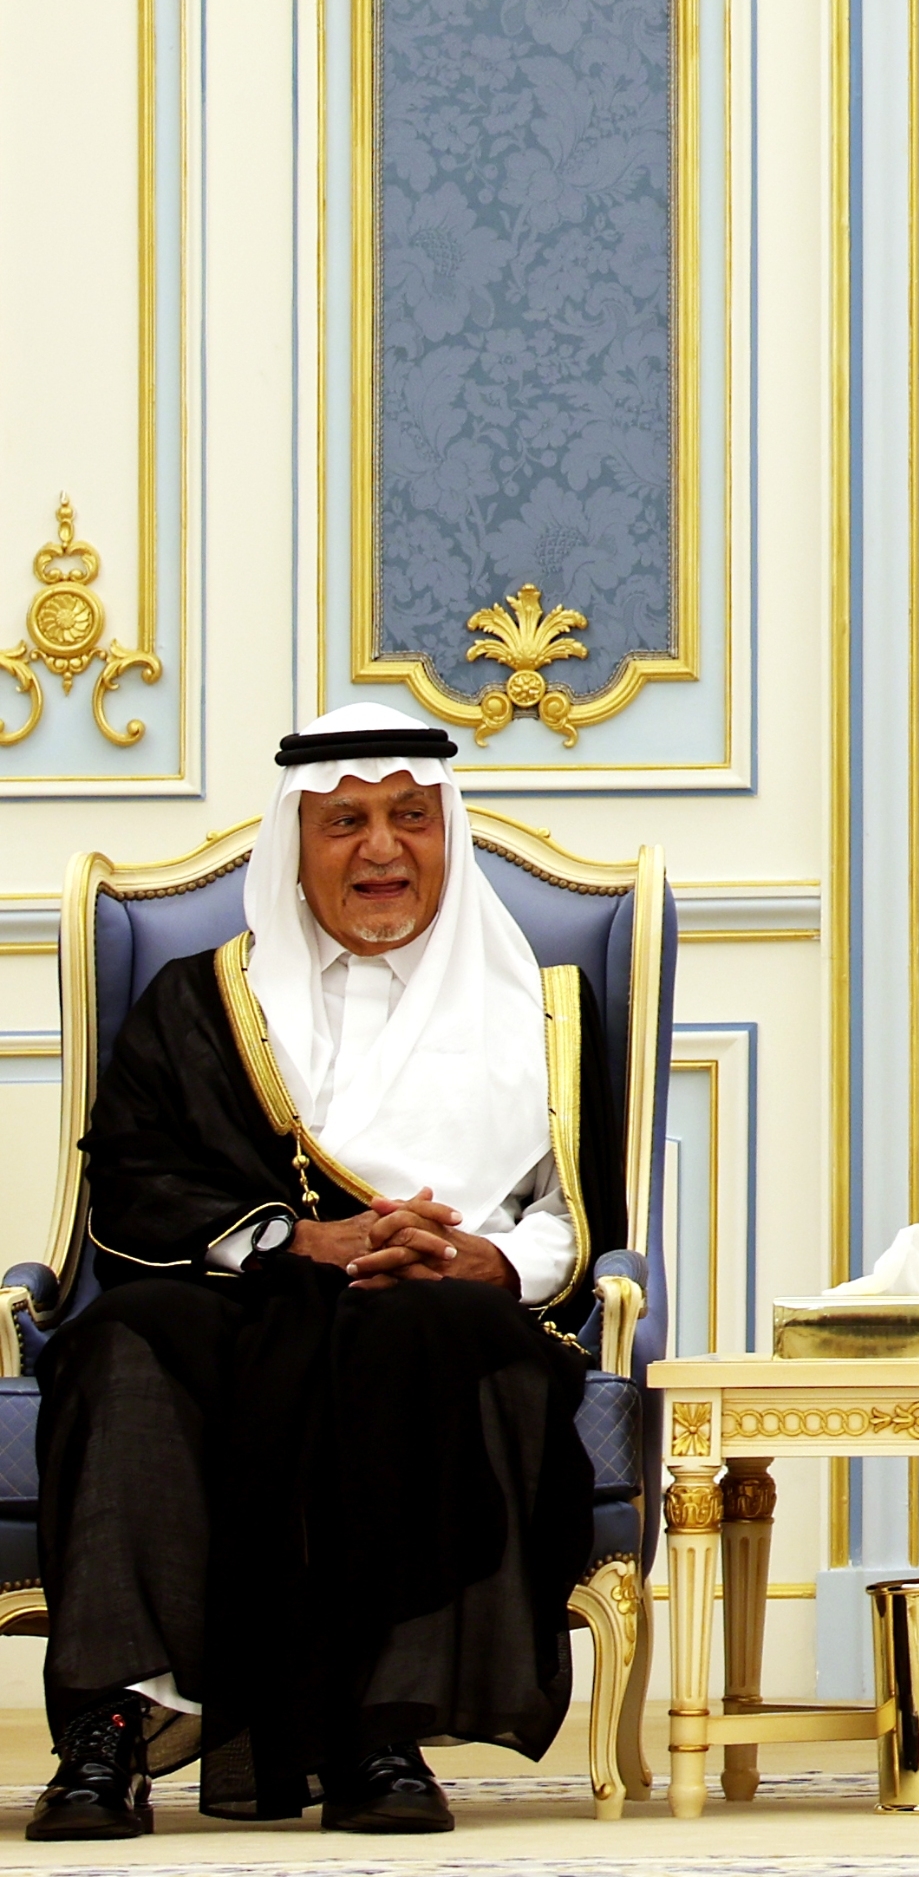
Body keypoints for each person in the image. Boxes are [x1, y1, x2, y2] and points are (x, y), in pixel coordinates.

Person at [26, 711, 598, 1841]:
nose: (382, 848)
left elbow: (574, 1208)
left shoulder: (538, 1009)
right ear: (296, 841)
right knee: (120, 1343)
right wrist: (296, 1240)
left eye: (409, 817)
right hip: (243, 1291)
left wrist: (488, 1260)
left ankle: (377, 1729)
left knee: (425, 1340)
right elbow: (134, 1179)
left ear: (446, 830)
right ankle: (111, 1725)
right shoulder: (203, 999)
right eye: (346, 822)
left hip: (437, 1301)